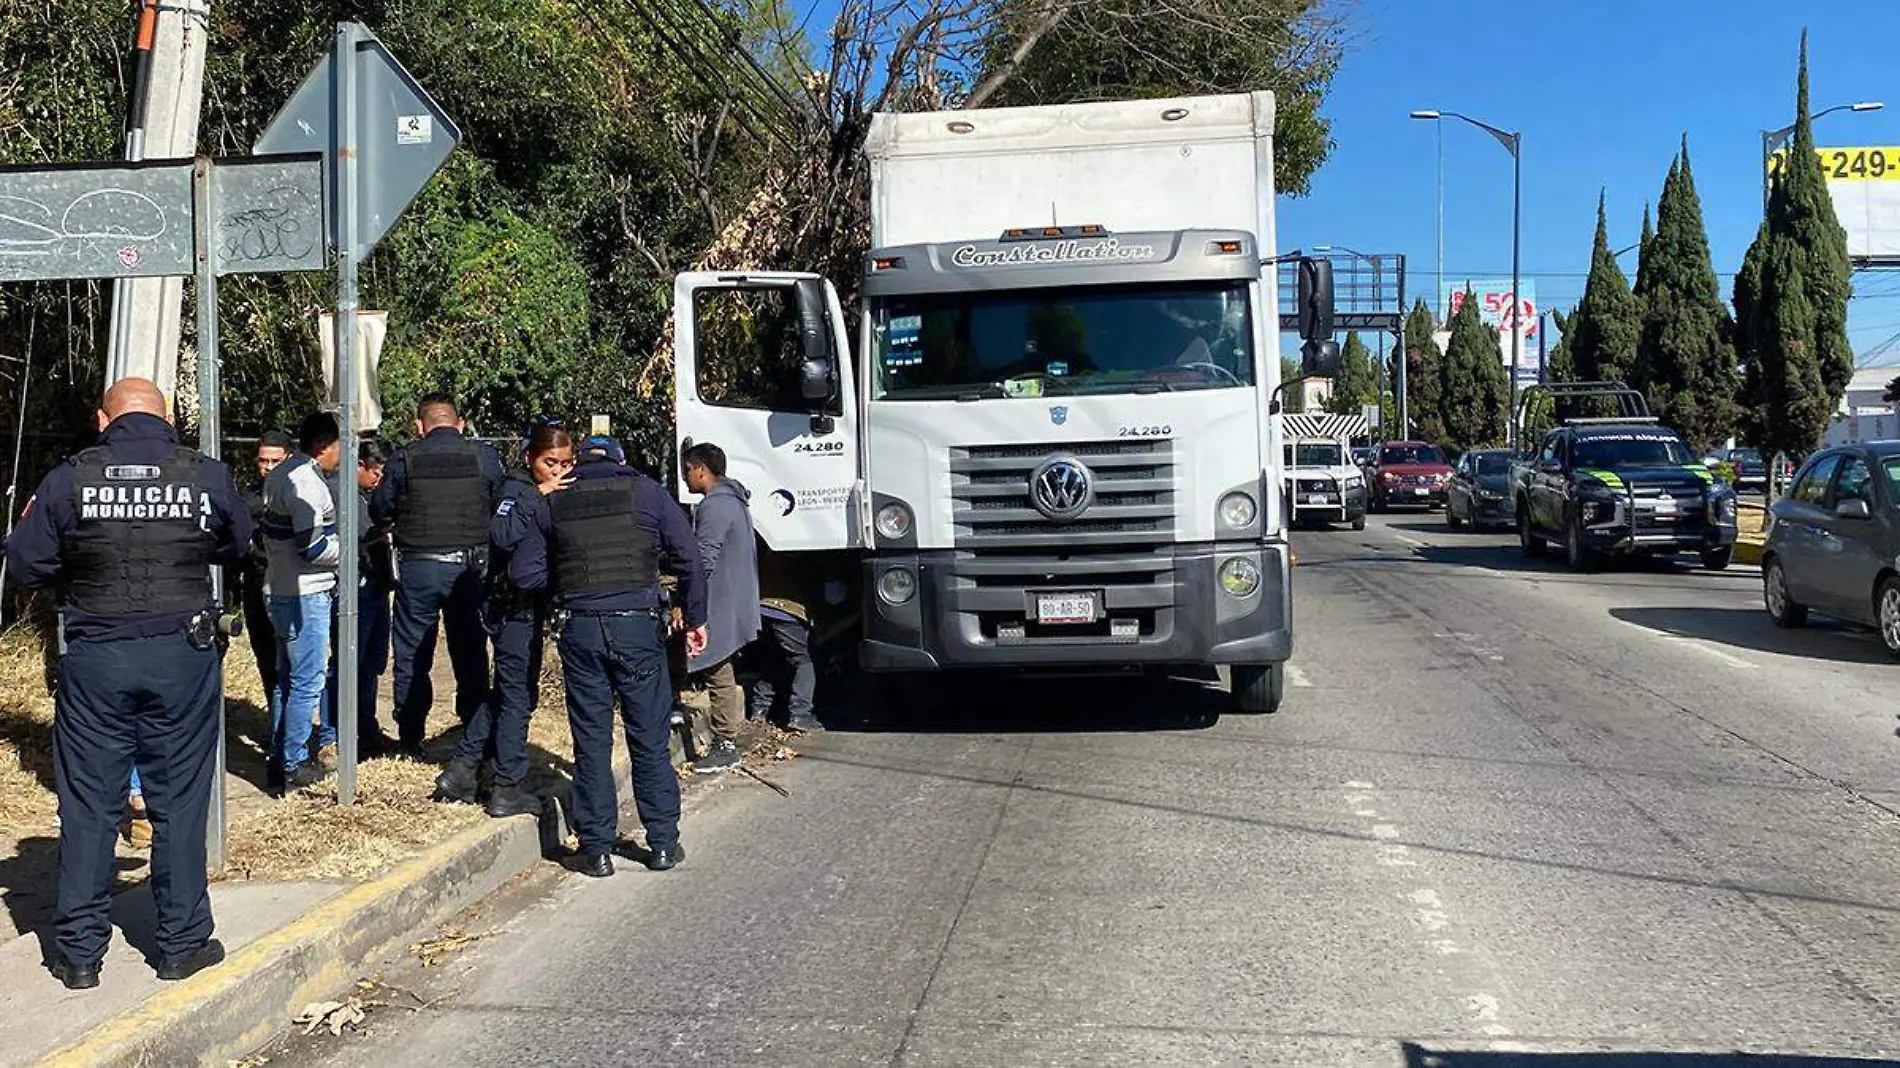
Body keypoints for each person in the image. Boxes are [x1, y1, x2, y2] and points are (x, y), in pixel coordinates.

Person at [4, 377, 249, 990]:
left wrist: (79, 567)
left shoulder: (69, 477)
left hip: (97, 655)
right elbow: (239, 542)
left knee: (90, 806)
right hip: (182, 656)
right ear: (168, 419)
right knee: (179, 803)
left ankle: (81, 953)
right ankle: (181, 944)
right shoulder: (204, 473)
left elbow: (27, 562)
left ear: (101, 418)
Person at [509, 441, 706, 876]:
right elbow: (689, 557)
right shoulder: (648, 492)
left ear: (579, 463)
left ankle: (597, 850)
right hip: (636, 625)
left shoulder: (555, 500)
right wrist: (694, 617)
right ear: (619, 462)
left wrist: (565, 578)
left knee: (592, 740)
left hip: (579, 628)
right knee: (649, 738)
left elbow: (524, 573)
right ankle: (662, 844)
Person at [436, 422, 574, 817]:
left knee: (512, 691)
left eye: (565, 463)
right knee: (516, 697)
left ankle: (463, 769)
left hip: (528, 608)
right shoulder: (516, 489)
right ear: (531, 458)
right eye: (550, 463)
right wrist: (538, 494)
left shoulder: (542, 489)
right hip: (511, 608)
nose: (558, 471)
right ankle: (507, 785)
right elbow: (502, 533)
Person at [370, 393, 504, 757]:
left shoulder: (404, 458)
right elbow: (501, 503)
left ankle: (411, 737)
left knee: (412, 654)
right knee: (472, 651)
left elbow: (380, 508)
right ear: (460, 425)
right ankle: (475, 734)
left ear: (419, 426)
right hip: (470, 570)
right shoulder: (484, 456)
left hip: (418, 568)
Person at [262, 412, 344, 791]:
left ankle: (278, 756)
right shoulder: (308, 485)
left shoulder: (280, 474)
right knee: (307, 681)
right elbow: (312, 547)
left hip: (278, 588)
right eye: (339, 446)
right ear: (323, 447)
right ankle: (294, 763)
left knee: (286, 680)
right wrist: (349, 552)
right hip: (305, 593)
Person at [680, 443, 759, 774]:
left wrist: (688, 602)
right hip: (737, 596)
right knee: (718, 666)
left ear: (701, 469)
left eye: (686, 470)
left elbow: (704, 560)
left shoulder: (714, 507)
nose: (684, 477)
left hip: (719, 599)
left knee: (717, 669)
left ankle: (725, 742)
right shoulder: (735, 501)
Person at [234, 431, 291, 701]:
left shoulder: (301, 493)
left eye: (275, 461)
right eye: (263, 461)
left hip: (290, 582)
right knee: (266, 655)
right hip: (257, 580)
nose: (268, 468)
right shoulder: (248, 496)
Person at [353, 439, 397, 756]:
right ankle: (356, 730)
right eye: (376, 473)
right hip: (359, 591)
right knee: (357, 664)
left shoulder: (369, 498)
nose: (379, 481)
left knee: (373, 663)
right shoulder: (348, 499)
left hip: (378, 588)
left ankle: (367, 730)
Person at [753, 549, 823, 734]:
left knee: (774, 654)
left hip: (760, 604)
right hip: (786, 609)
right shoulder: (804, 547)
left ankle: (759, 709)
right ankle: (800, 714)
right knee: (804, 659)